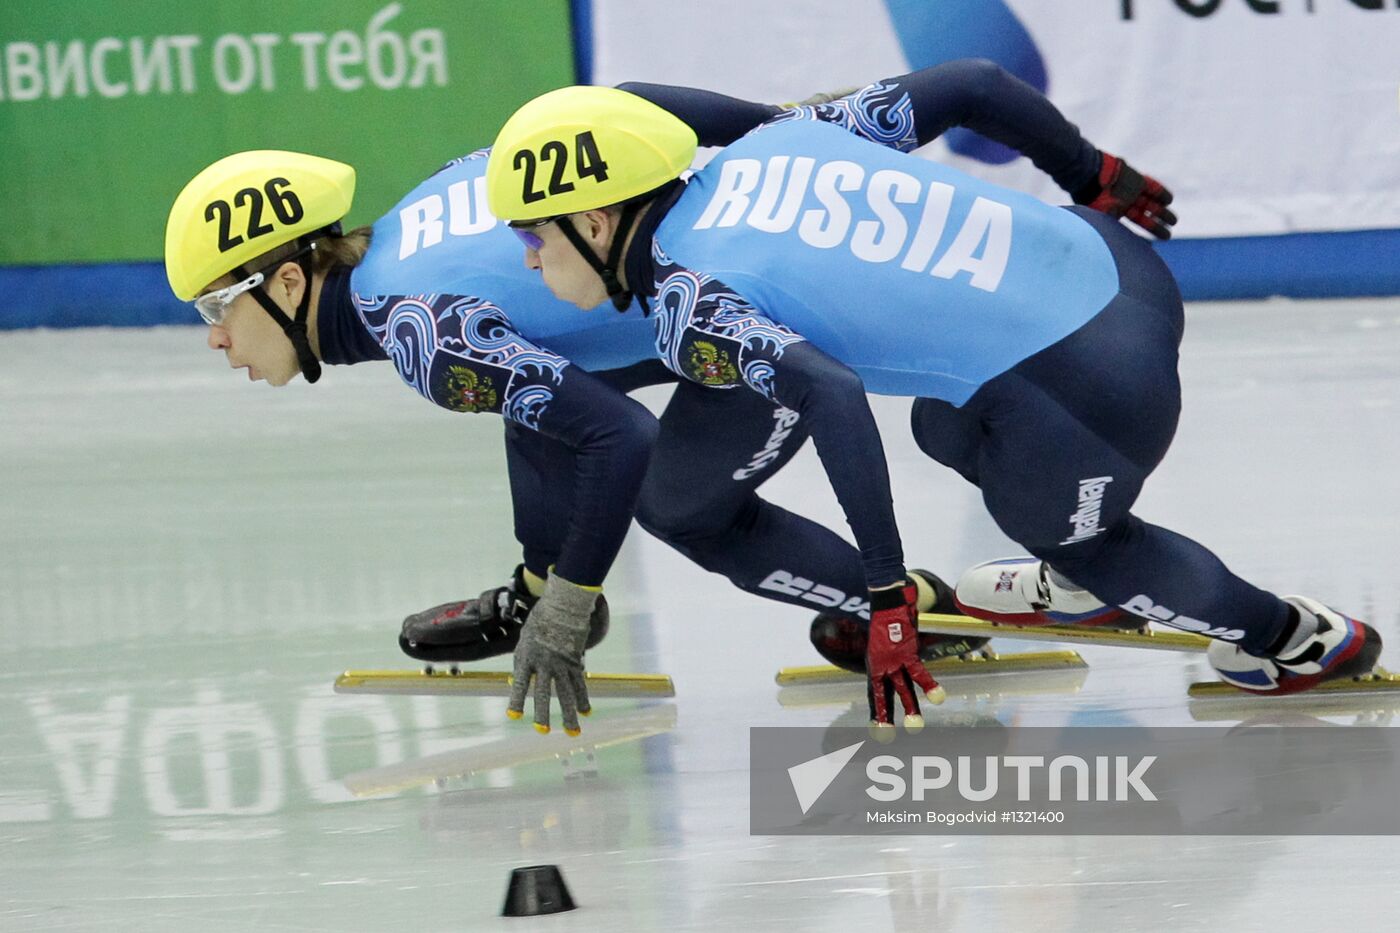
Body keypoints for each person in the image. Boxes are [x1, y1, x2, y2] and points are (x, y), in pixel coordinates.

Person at [483, 61, 1383, 728]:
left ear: (596, 219)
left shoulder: (692, 295)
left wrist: (885, 598)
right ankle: (1071, 563)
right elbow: (972, 83)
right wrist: (1096, 173)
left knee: (1077, 527)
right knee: (943, 423)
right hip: (1112, 260)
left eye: (534, 237)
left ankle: (1299, 638)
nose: (528, 259)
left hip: (1093, 391)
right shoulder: (778, 141)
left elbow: (833, 400)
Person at [163, 77, 1003, 738]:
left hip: (759, 311)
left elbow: (618, 436)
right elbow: (621, 106)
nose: (215, 340)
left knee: (680, 505)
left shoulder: (412, 327)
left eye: (213, 310)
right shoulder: (410, 224)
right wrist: (770, 125)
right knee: (532, 395)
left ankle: (905, 606)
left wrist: (571, 606)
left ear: (284, 283)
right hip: (719, 274)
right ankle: (536, 585)